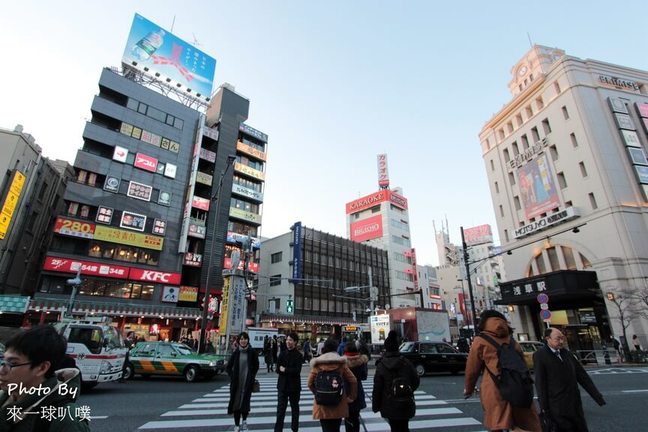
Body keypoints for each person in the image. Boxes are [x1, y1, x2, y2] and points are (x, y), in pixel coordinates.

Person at [0, 325, 91, 431]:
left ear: (42, 368)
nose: (2, 370)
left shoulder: (66, 418)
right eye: (3, 361)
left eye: (12, 363)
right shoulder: (5, 400)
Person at [464, 310, 541, 432]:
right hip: (518, 385)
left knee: (498, 423)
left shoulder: (480, 340)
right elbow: (522, 364)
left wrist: (468, 389)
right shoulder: (511, 340)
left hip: (495, 386)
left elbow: (472, 369)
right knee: (524, 422)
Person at [534, 328, 606, 432]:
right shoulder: (540, 355)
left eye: (562, 338)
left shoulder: (567, 353)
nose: (561, 342)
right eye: (557, 339)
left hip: (574, 403)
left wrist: (597, 396)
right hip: (557, 405)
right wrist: (544, 408)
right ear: (547, 339)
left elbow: (582, 375)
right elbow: (540, 383)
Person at [372, 330, 419, 432]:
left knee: (394, 427)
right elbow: (416, 381)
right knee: (404, 426)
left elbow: (377, 388)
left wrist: (376, 405)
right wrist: (407, 390)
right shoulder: (406, 363)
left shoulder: (381, 365)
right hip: (405, 401)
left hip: (389, 403)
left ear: (386, 348)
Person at [307, 338, 357, 432]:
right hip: (337, 402)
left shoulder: (317, 364)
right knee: (336, 428)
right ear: (336, 348)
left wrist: (317, 393)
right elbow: (353, 380)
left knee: (325, 428)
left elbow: (309, 383)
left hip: (322, 403)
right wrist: (351, 397)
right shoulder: (341, 363)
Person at [226, 332, 259, 432]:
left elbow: (256, 365)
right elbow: (228, 367)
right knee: (236, 404)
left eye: (245, 339)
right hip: (237, 383)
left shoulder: (252, 352)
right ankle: (236, 425)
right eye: (241, 339)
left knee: (245, 403)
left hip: (247, 382)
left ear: (248, 340)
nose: (243, 341)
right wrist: (232, 376)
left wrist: (252, 376)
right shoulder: (236, 352)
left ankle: (244, 422)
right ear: (238, 341)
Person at [274, 332, 303, 432]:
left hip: (294, 387)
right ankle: (278, 430)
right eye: (287, 340)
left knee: (295, 410)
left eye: (290, 340)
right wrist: (284, 370)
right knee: (280, 410)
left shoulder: (299, 355)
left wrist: (285, 370)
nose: (288, 342)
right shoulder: (282, 354)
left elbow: (297, 371)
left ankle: (294, 429)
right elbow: (277, 369)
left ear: (295, 342)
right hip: (282, 386)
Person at [342, 342, 368, 432]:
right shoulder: (362, 361)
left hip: (345, 391)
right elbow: (364, 377)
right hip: (358, 391)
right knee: (356, 417)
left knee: (347, 417)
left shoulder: (342, 362)